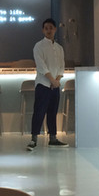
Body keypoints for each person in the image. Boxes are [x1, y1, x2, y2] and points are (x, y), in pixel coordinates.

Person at [27, 18, 68, 151]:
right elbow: (41, 66)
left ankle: (53, 138)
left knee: (52, 112)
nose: (49, 30)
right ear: (43, 30)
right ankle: (33, 139)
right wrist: (52, 80)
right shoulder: (38, 46)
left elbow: (61, 66)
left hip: (55, 85)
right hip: (43, 85)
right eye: (46, 28)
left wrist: (57, 80)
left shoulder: (59, 48)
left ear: (55, 29)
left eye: (51, 28)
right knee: (39, 112)